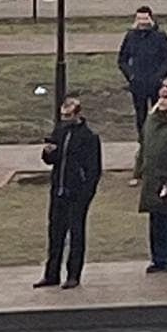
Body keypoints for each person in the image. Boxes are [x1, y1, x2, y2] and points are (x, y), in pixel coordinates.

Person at [33, 97, 102, 290]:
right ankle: (51, 273)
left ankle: (73, 274)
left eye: (68, 115)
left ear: (78, 114)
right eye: (63, 115)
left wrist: (86, 193)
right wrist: (48, 152)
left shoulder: (89, 137)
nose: (65, 119)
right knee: (55, 233)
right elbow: (52, 160)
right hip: (59, 189)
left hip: (77, 192)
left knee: (76, 234)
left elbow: (94, 170)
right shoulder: (60, 131)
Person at [135, 79, 167, 273]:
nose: (163, 100)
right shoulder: (152, 120)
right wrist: (138, 170)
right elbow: (144, 145)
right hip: (151, 177)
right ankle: (157, 257)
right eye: (161, 96)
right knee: (155, 219)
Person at [118, 5, 167, 136]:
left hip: (155, 82)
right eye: (139, 19)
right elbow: (122, 59)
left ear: (151, 19)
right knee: (140, 114)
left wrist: (160, 76)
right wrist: (131, 75)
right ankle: (143, 138)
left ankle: (156, 136)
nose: (142, 22)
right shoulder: (131, 36)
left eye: (145, 18)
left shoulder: (160, 36)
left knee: (158, 112)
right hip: (138, 83)